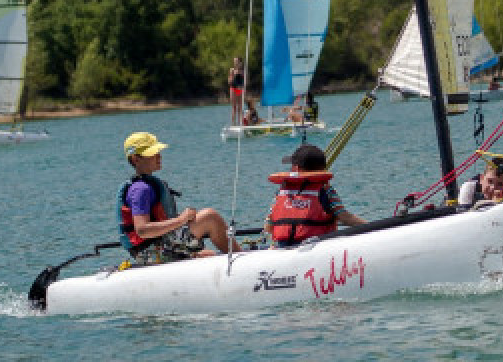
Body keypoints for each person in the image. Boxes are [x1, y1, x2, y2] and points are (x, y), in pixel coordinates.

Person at [119, 132, 238, 266]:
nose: (159, 156)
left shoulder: (146, 185)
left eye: (158, 151)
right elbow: (142, 230)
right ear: (136, 159)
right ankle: (240, 259)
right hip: (152, 252)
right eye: (152, 153)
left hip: (156, 249)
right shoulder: (140, 189)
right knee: (209, 217)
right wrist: (181, 220)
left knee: (209, 255)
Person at [264, 144, 365, 247]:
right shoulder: (325, 190)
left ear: (297, 168)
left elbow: (268, 225)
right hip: (319, 247)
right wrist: (372, 227)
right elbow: (345, 217)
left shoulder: (282, 191)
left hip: (285, 248)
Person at [229, 56, 245, 125]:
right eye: (234, 61)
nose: (235, 63)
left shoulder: (243, 71)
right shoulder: (232, 70)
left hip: (240, 89)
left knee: (240, 107)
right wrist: (232, 76)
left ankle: (240, 123)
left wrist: (242, 75)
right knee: (234, 107)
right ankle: (233, 124)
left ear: (240, 62)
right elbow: (229, 81)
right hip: (233, 88)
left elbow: (246, 81)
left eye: (236, 61)